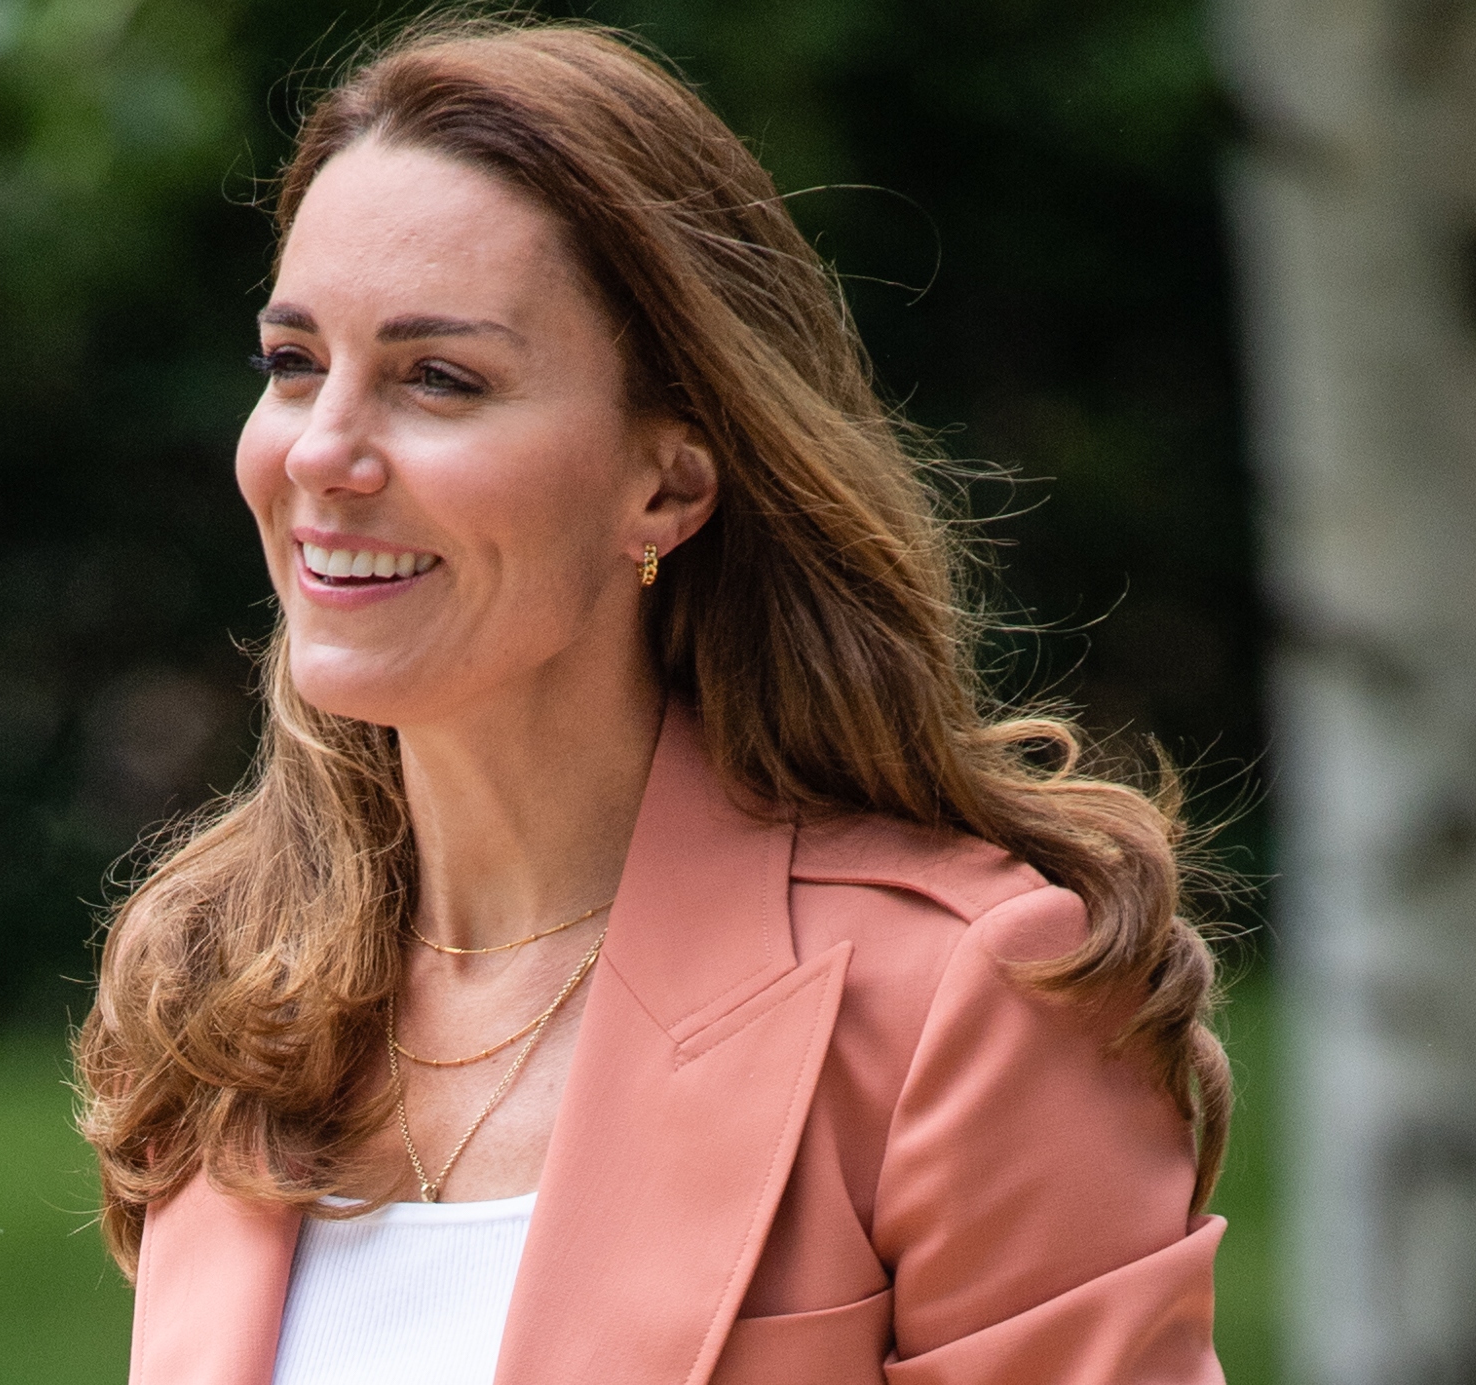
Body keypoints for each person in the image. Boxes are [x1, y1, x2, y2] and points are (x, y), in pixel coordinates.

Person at [76, 17, 1231, 1385]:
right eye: (292, 362)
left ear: (667, 486)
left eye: (437, 378)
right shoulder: (223, 990)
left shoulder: (961, 1002)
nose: (322, 451)